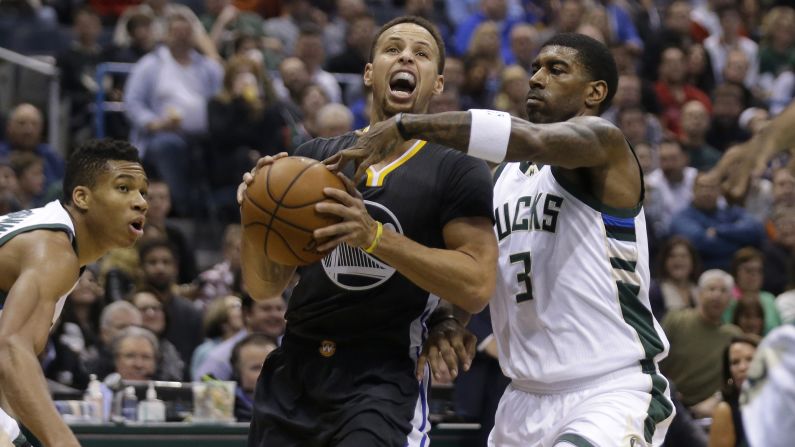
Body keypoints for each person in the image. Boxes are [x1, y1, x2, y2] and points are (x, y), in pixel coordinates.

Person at [335, 32, 674, 446]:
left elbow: (531, 139)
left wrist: (405, 124)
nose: (536, 77)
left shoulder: (606, 146)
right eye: (535, 68)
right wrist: (450, 319)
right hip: (523, 398)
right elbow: (482, 264)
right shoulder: (502, 179)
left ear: (594, 92)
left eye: (556, 69)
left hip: (610, 391)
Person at [239, 15, 497, 446]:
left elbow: (476, 284)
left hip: (382, 376)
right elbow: (264, 287)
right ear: (369, 72)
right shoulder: (314, 159)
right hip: (294, 370)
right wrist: (255, 217)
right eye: (393, 49)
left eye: (422, 53)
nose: (406, 58)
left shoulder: (457, 168)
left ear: (437, 84)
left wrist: (373, 237)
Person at [0, 139, 147, 447]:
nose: (140, 202)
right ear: (81, 197)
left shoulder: (54, 243)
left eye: (142, 191)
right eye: (124, 188)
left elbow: (8, 371)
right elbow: (11, 347)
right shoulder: (53, 250)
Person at [709, 335, 758, 447]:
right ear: (729, 373)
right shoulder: (724, 411)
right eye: (735, 362)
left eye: (750, 359)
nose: (742, 367)